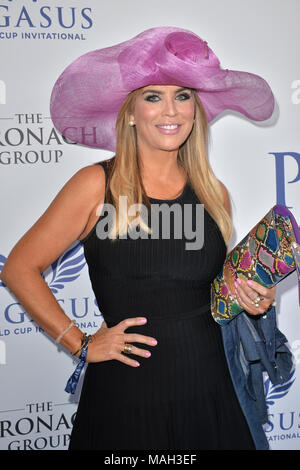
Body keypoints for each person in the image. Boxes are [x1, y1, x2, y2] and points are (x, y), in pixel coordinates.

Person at [0, 26, 277, 450]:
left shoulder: (213, 192)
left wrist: (251, 299)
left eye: (183, 95)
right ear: (130, 112)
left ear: (196, 109)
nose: (171, 110)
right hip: (127, 392)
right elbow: (20, 267)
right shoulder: (96, 185)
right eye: (153, 96)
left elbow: (212, 289)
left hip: (213, 386)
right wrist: (79, 343)